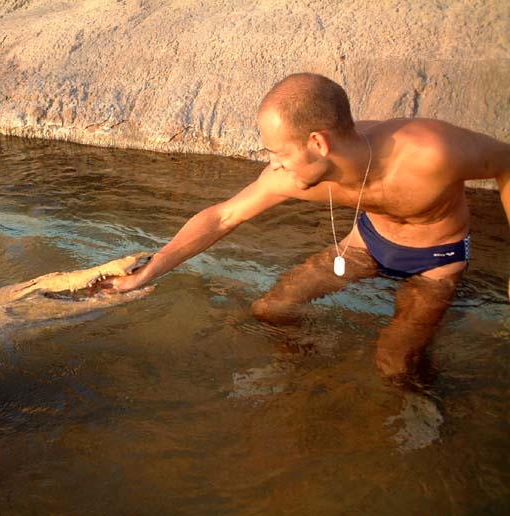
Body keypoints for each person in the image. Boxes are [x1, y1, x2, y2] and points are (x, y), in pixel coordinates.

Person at [102, 73, 510, 378]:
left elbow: (507, 162)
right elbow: (223, 216)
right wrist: (149, 271)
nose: (274, 164)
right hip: (365, 244)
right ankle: (307, 362)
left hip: (437, 260)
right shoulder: (292, 177)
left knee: (394, 363)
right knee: (270, 309)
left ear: (318, 142)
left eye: (279, 152)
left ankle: (421, 405)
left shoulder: (430, 152)